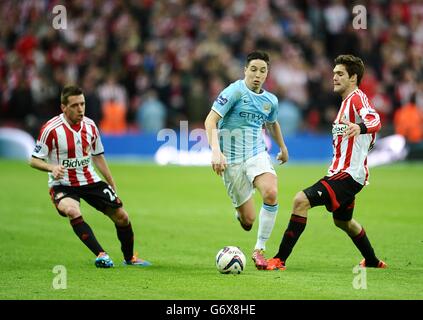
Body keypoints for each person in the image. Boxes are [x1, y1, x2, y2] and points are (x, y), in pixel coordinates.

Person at [266, 54, 387, 271]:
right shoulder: (344, 104)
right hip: (344, 173)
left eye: (340, 74)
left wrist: (360, 128)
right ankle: (372, 260)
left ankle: (279, 259)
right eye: (334, 74)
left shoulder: (357, 98)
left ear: (353, 78)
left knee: (300, 200)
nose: (334, 77)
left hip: (348, 174)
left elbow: (375, 119)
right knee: (343, 222)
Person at [29, 85, 151, 268]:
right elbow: (33, 160)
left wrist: (111, 183)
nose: (80, 109)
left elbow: (98, 156)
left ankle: (129, 259)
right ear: (64, 107)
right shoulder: (51, 129)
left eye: (82, 104)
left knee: (122, 216)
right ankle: (101, 254)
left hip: (89, 180)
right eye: (75, 105)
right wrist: (51, 167)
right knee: (72, 211)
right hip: (62, 184)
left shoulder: (91, 126)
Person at [204, 51, 289, 270]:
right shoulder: (234, 91)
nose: (257, 75)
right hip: (231, 161)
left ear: (267, 73)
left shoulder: (270, 101)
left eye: (262, 71)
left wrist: (282, 147)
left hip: (256, 154)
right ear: (245, 70)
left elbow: (272, 123)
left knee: (271, 192)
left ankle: (259, 250)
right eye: (253, 70)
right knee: (248, 221)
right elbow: (210, 120)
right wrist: (216, 151)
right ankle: (241, 213)